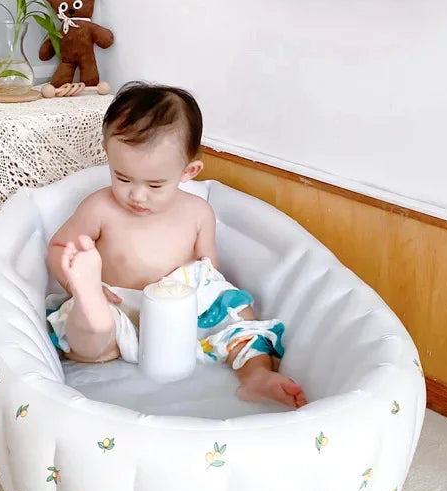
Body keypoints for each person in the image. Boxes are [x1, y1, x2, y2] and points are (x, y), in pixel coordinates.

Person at [47, 82, 306, 408]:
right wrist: (78, 282)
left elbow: (209, 273)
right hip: (120, 304)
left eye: (155, 184)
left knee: (234, 308)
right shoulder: (99, 208)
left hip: (179, 316)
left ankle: (255, 374)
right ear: (107, 152)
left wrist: (213, 301)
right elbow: (59, 247)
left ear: (189, 171)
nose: (136, 195)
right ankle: (90, 307)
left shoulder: (198, 213)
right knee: (89, 336)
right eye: (122, 177)